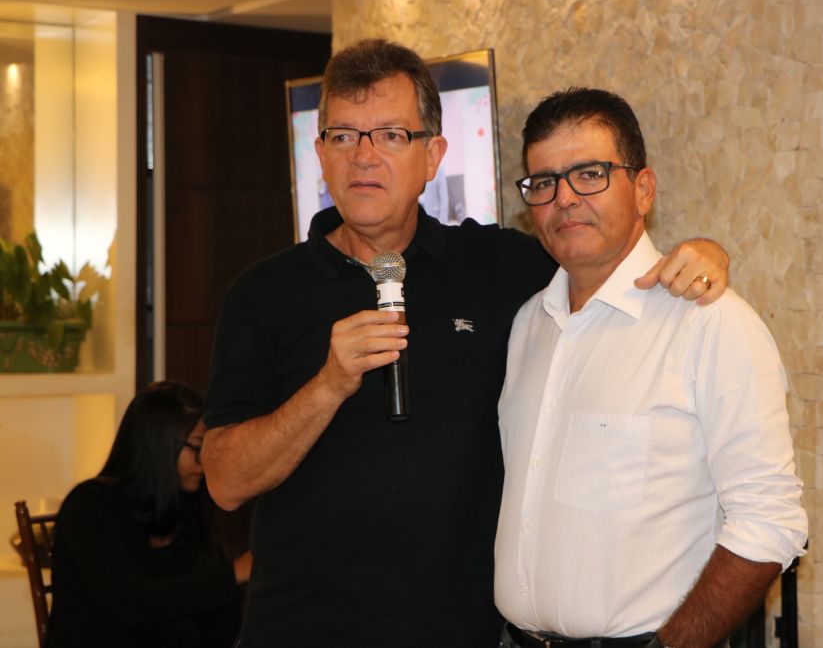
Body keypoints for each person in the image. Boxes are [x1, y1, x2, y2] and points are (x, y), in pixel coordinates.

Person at [200, 39, 731, 648]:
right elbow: (225, 482)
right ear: (320, 153)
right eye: (343, 136)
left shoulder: (497, 266)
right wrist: (328, 386)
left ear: (433, 155)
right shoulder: (262, 293)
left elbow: (601, 258)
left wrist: (706, 253)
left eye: (391, 135)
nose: (364, 156)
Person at [494, 88, 808, 648]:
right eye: (544, 182)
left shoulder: (709, 323)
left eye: (589, 174)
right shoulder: (527, 324)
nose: (564, 199)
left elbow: (770, 522)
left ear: (643, 189)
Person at [46, 381, 252, 648]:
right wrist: (234, 572)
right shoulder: (90, 506)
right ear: (157, 444)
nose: (204, 460)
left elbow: (218, 615)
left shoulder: (189, 505)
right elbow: (134, 603)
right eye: (197, 447)